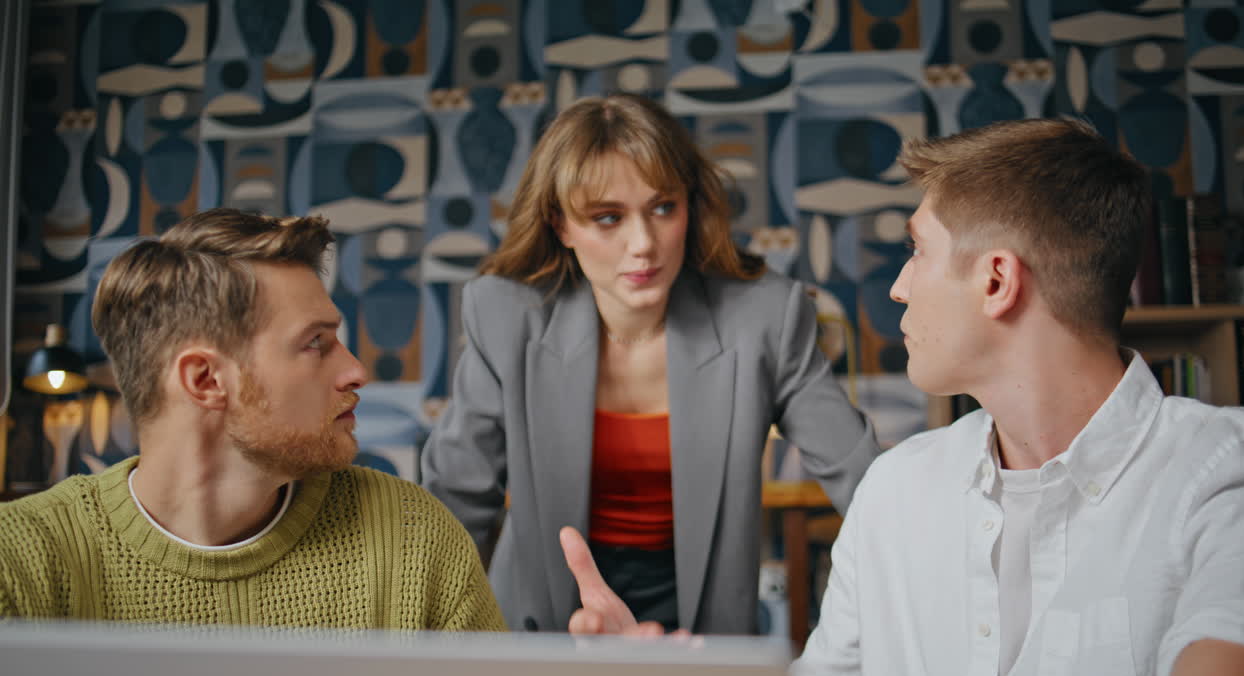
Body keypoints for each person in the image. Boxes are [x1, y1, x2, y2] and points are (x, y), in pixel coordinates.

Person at [784, 118, 1244, 676]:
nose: (897, 288)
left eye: (917, 250)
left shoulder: (1233, 474)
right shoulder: (893, 490)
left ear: (996, 280)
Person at [421, 93, 879, 635]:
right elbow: (454, 507)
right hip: (544, 619)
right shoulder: (505, 316)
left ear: (690, 204)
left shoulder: (764, 317)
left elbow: (867, 483)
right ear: (561, 225)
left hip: (702, 622)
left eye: (663, 208)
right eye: (608, 217)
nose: (643, 243)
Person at [0, 209, 505, 632]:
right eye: (315, 343)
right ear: (205, 380)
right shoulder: (21, 561)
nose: (356, 371)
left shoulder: (414, 538)